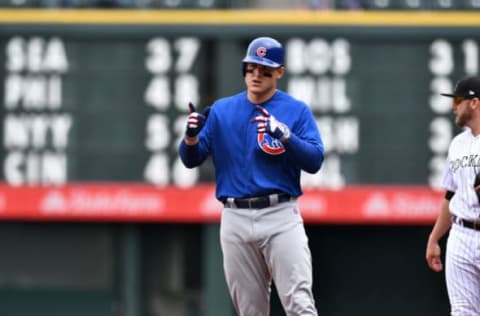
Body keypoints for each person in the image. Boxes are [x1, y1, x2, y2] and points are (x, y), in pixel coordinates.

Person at [179, 36, 324, 315]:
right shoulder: (222, 110)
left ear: (279, 72)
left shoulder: (295, 110)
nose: (256, 74)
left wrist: (285, 136)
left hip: (280, 213)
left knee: (300, 304)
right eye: (251, 67)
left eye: (265, 68)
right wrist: (190, 137)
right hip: (235, 216)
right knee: (249, 310)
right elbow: (191, 160)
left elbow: (315, 160)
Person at [426, 76, 480, 315]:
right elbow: (451, 194)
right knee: (462, 311)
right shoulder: (457, 144)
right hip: (461, 234)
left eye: (459, 100)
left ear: (475, 103)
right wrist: (435, 237)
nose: (453, 106)